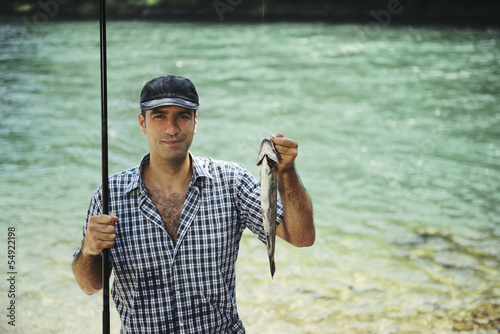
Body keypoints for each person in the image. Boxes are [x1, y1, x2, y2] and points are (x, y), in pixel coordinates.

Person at [72, 75, 315, 333]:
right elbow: (90, 286)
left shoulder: (232, 182)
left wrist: (286, 173)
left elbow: (302, 237)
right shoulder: (111, 195)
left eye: (183, 116)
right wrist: (88, 251)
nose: (172, 128)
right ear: (142, 123)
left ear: (195, 122)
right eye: (159, 116)